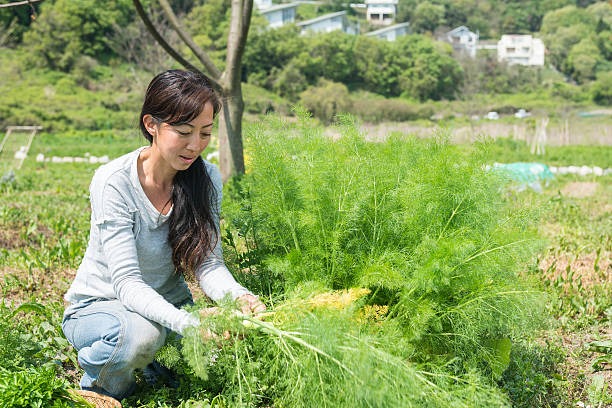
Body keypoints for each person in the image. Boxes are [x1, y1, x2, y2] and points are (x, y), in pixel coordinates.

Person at [62, 69, 265, 402]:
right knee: (142, 337)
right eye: (184, 132)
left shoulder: (207, 179)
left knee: (215, 365)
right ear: (151, 124)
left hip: (169, 305)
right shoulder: (114, 182)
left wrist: (238, 297)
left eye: (205, 132)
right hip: (102, 307)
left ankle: (152, 363)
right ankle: (98, 388)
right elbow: (126, 283)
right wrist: (188, 324)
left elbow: (208, 264)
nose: (195, 145)